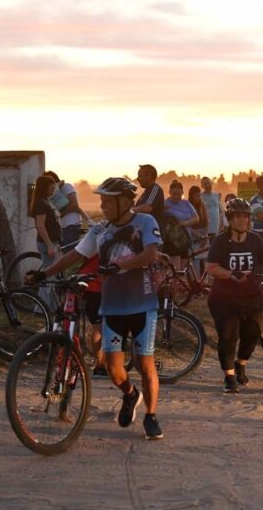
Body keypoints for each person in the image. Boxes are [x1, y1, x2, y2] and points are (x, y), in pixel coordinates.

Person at [27, 177, 164, 440]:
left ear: (125, 202)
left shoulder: (146, 222)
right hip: (112, 306)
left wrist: (120, 265)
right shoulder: (100, 230)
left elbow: (150, 254)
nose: (102, 205)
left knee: (143, 362)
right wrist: (43, 274)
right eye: (101, 200)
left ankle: (151, 416)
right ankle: (130, 394)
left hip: (142, 304)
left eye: (107, 201)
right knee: (113, 368)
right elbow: (75, 255)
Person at [205, 198, 263, 394]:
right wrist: (231, 274)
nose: (243, 220)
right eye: (238, 216)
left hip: (252, 296)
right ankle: (229, 377)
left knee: (253, 332)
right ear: (230, 219)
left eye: (246, 216)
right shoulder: (221, 241)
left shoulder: (255, 239)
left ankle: (240, 364)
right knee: (229, 335)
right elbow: (211, 268)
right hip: (224, 298)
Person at [29, 175, 61, 310]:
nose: (54, 189)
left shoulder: (46, 201)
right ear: (44, 188)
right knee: (48, 276)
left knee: (51, 275)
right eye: (51, 187)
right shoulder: (41, 204)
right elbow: (40, 226)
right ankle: (41, 308)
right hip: (47, 243)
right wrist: (49, 245)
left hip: (52, 242)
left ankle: (51, 306)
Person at [44, 171, 92, 252]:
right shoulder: (50, 194)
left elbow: (75, 205)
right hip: (62, 228)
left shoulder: (67, 187)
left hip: (71, 226)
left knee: (69, 253)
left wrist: (61, 214)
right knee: (65, 253)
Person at [163, 180, 199, 271]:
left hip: (185, 241)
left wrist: (185, 223)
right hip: (172, 243)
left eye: (178, 194)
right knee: (176, 270)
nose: (176, 196)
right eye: (174, 194)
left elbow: (196, 218)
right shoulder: (164, 204)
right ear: (169, 192)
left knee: (183, 271)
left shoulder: (186, 203)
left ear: (182, 193)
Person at [188, 184, 210, 275]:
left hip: (203, 235)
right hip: (193, 235)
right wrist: (198, 236)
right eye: (196, 196)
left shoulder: (202, 205)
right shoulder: (188, 206)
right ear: (192, 196)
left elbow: (207, 221)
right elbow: (188, 226)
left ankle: (205, 281)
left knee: (206, 262)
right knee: (195, 262)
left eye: (199, 195)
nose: (198, 198)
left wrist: (205, 235)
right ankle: (195, 280)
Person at [200, 176, 222, 241]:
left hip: (217, 227)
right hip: (206, 229)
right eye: (205, 184)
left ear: (211, 183)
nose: (207, 185)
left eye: (208, 183)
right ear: (202, 186)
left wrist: (221, 226)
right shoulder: (200, 196)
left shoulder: (217, 195)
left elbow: (220, 211)